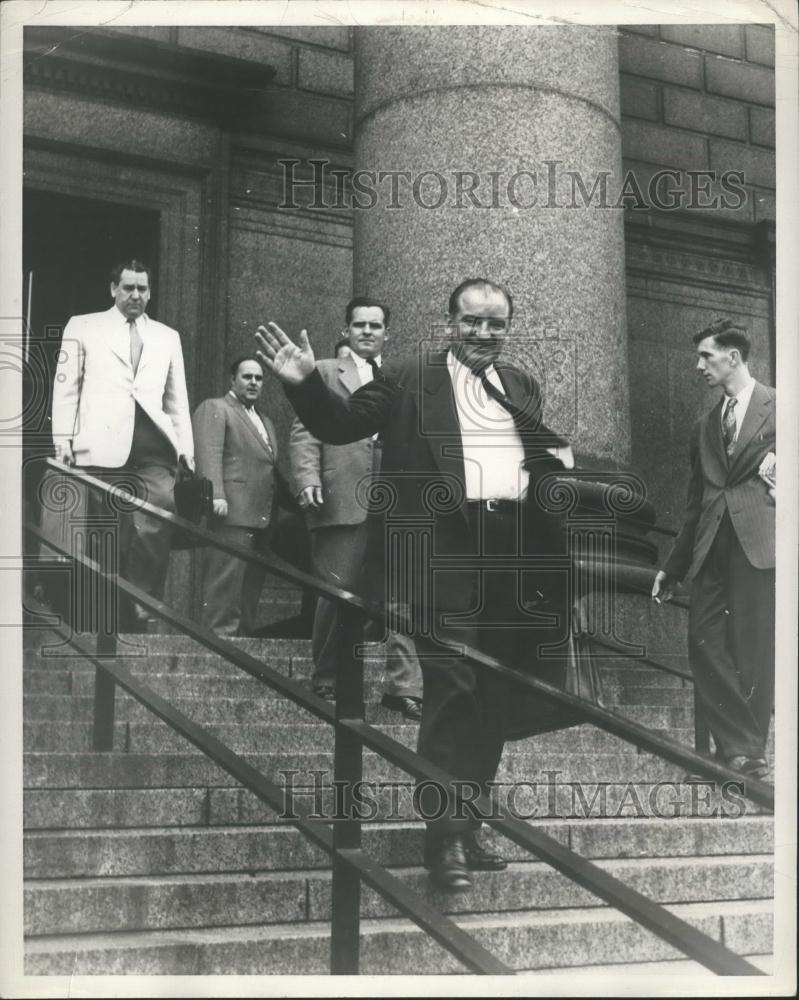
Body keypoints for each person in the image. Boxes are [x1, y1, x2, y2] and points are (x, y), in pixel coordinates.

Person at [256, 278, 574, 892]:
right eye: (472, 321)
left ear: (509, 325)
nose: (484, 334)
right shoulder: (407, 376)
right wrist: (301, 381)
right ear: (450, 321)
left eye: (496, 323)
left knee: (493, 693)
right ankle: (443, 838)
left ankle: (469, 819)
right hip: (440, 555)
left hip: (510, 551)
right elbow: (343, 422)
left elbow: (537, 454)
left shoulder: (521, 385)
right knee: (452, 688)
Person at [652, 319, 775, 782]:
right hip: (709, 547)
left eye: (706, 356)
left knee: (755, 649)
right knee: (703, 641)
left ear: (734, 358)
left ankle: (743, 753)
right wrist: (673, 566)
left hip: (760, 546)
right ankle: (742, 748)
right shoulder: (703, 426)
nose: (698, 365)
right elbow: (694, 502)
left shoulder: (781, 407)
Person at [289, 297, 424, 719]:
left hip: (395, 499)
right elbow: (305, 431)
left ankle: (405, 688)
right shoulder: (326, 372)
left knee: (403, 596)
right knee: (338, 591)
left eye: (376, 326)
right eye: (359, 325)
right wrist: (308, 479)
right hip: (343, 494)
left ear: (388, 333)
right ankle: (328, 678)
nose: (368, 332)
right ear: (346, 330)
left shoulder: (399, 377)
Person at [51, 259, 193, 627]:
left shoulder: (167, 336)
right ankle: (104, 612)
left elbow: (177, 400)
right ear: (113, 289)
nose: (136, 295)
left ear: (151, 292)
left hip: (153, 449)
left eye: (142, 289)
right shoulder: (84, 326)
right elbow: (66, 387)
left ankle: (141, 601)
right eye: (128, 288)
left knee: (159, 512)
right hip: (99, 445)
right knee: (103, 532)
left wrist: (185, 450)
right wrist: (62, 440)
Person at [192, 356, 288, 636]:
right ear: (232, 380)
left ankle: (243, 644)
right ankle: (219, 642)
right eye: (247, 377)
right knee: (225, 582)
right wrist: (215, 496)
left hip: (262, 516)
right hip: (231, 511)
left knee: (250, 585)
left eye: (259, 378)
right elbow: (208, 453)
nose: (254, 383)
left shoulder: (265, 421)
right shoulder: (216, 408)